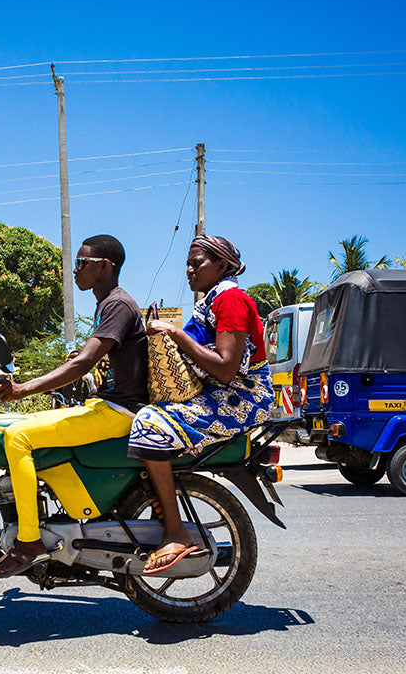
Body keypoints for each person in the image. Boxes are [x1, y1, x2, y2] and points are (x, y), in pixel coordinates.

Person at [0, 234, 148, 578]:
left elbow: (83, 363)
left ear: (105, 266)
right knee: (17, 427)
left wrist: (21, 389)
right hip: (110, 406)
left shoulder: (117, 304)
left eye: (82, 264)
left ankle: (29, 542)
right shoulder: (109, 305)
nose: (75, 270)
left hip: (120, 413)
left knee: (18, 437)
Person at [128, 235, 274, 575]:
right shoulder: (209, 303)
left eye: (198, 263)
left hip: (240, 399)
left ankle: (177, 532)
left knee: (149, 425)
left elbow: (225, 367)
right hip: (218, 395)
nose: (190, 270)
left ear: (222, 266)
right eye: (188, 264)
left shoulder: (232, 300)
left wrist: (176, 334)